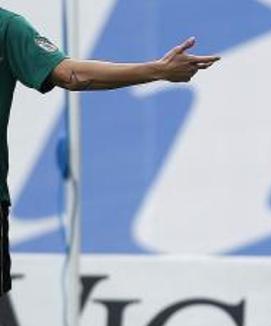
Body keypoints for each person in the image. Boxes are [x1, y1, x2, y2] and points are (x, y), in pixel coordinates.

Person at [0, 8, 219, 295]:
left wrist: (158, 70)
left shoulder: (7, 27)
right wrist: (158, 70)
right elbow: (73, 76)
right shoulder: (6, 25)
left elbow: (72, 75)